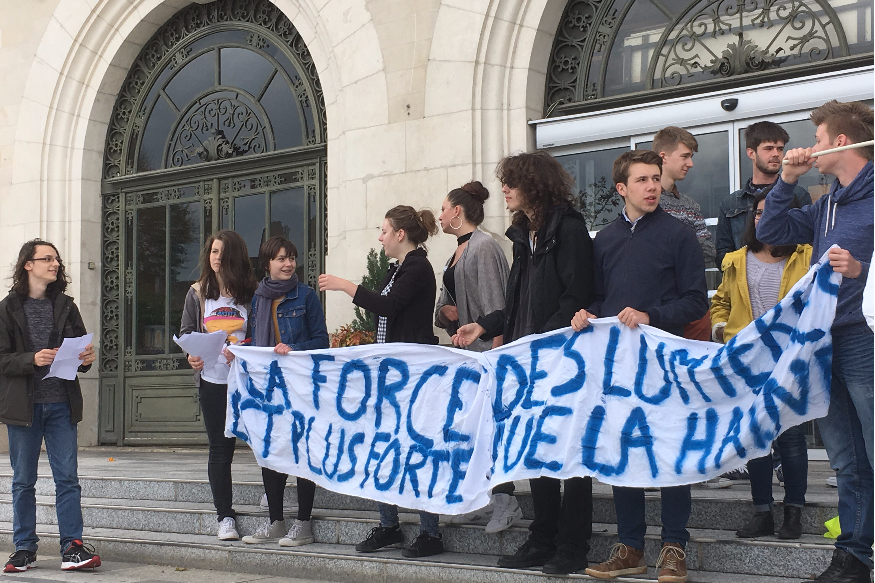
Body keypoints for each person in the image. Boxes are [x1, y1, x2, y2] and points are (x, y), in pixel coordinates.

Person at [453, 151, 595, 576]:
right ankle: (543, 537)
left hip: (562, 360)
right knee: (535, 452)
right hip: (528, 361)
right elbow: (518, 302)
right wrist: (485, 325)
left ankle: (573, 545)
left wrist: (539, 341)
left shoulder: (569, 230)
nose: (504, 189)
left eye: (511, 182)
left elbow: (577, 296)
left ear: (534, 186)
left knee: (571, 455)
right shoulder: (521, 236)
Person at [573, 150, 708, 583]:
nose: (652, 187)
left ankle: (673, 547)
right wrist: (586, 314)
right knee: (623, 450)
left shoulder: (679, 234)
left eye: (655, 178)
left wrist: (651, 316)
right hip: (618, 367)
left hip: (665, 364)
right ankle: (630, 547)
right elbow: (599, 298)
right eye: (642, 180)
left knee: (669, 451)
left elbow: (695, 301)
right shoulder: (604, 239)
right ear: (621, 188)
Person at [757, 100, 873, 583]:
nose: (811, 147)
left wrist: (863, 270)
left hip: (866, 339)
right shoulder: (826, 203)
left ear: (840, 142)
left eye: (818, 139)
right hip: (825, 341)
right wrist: (786, 180)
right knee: (847, 460)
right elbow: (771, 231)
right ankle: (852, 558)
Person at [319, 205, 444, 558]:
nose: (380, 238)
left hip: (411, 376)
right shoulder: (398, 269)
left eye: (384, 231)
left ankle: (430, 532)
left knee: (416, 450)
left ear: (400, 234)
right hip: (389, 375)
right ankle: (389, 525)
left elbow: (388, 306)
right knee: (383, 448)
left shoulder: (417, 267)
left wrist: (345, 286)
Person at [710, 190, 812, 540]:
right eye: (758, 212)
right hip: (749, 361)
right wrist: (721, 331)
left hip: (791, 359)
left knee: (792, 436)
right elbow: (721, 303)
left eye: (773, 211)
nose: (763, 217)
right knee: (755, 437)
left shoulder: (806, 256)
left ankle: (793, 512)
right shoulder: (737, 259)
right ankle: (762, 512)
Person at [0, 239, 101, 572]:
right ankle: (24, 548)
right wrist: (31, 359)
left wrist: (86, 358)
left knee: (67, 479)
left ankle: (72, 547)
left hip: (61, 404)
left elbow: (81, 353)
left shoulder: (66, 306)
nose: (55, 264)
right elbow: (2, 359)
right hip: (24, 408)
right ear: (28, 265)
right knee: (23, 481)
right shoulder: (7, 309)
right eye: (47, 258)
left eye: (56, 259)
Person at [434, 181, 518, 533]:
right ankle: (482, 498)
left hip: (486, 354)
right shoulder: (456, 252)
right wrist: (445, 312)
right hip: (466, 354)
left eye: (443, 209)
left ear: (457, 211)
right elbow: (442, 306)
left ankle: (506, 500)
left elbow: (498, 303)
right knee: (472, 429)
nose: (439, 215)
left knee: (492, 427)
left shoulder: (484, 247)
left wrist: (497, 351)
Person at [242, 236, 329, 547]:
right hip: (269, 388)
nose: (288, 263)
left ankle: (303, 523)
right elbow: (255, 340)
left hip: (301, 386)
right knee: (270, 450)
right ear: (267, 263)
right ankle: (275, 522)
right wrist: (238, 351)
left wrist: (294, 348)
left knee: (302, 451)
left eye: (291, 257)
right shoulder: (258, 299)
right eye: (281, 258)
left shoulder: (306, 296)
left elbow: (322, 341)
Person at [179, 230, 257, 541]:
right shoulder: (198, 293)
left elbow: (261, 335)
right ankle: (225, 516)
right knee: (220, 449)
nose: (216, 258)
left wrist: (243, 349)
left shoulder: (252, 294)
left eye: (222, 252)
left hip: (248, 382)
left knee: (262, 441)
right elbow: (187, 332)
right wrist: (191, 356)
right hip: (213, 382)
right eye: (213, 251)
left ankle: (274, 503)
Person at [716, 121, 812, 267]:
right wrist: (743, 270)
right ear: (751, 153)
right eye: (768, 148)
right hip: (745, 279)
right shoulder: (731, 203)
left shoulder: (798, 194)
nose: (776, 154)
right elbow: (722, 253)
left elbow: (809, 246)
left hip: (789, 276)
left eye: (780, 149)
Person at [652, 126, 715, 342]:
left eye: (691, 157)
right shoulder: (645, 204)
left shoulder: (690, 205)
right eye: (685, 156)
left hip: (693, 307)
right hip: (655, 309)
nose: (691, 163)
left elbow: (709, 250)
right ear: (663, 157)